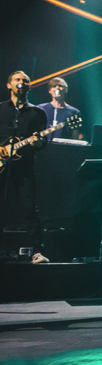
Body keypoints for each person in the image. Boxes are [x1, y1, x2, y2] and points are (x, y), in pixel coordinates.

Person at [0, 71, 50, 263]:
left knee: (29, 207)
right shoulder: (1, 109)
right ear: (9, 85)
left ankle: (37, 251)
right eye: (17, 80)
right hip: (2, 163)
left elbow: (42, 143)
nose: (21, 82)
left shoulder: (38, 113)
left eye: (25, 81)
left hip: (24, 167)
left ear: (30, 86)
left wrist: (37, 142)